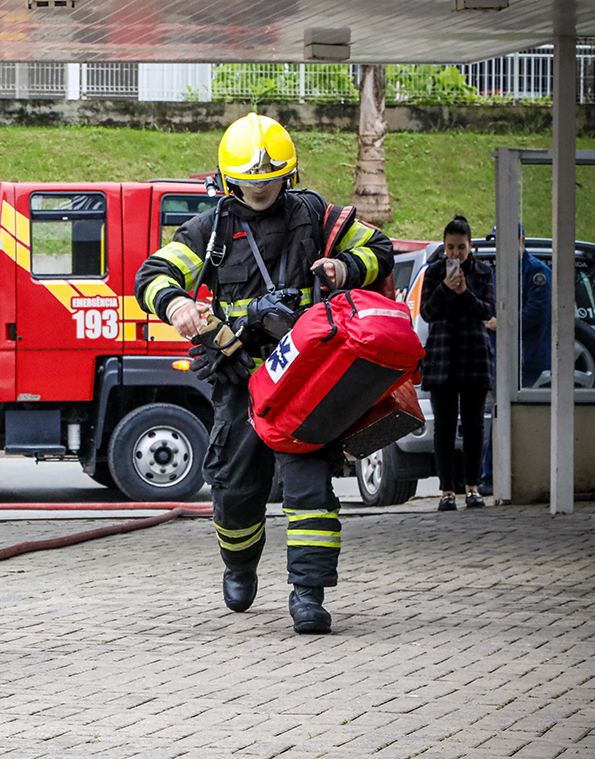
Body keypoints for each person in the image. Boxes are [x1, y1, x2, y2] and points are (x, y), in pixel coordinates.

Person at [134, 113, 393, 634]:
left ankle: (309, 593)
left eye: (270, 179)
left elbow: (379, 249)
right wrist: (177, 304)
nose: (260, 189)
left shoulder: (316, 217)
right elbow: (152, 275)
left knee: (309, 486)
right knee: (234, 486)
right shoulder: (210, 231)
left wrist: (344, 268)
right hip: (241, 377)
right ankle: (240, 563)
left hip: (304, 378)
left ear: (287, 175)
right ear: (231, 181)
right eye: (250, 182)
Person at [419, 215, 495, 511]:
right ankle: (446, 490)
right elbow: (427, 312)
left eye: (461, 248)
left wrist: (464, 292)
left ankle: (473, 488)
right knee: (445, 427)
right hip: (441, 357)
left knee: (474, 424)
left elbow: (486, 310)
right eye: (450, 248)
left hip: (473, 355)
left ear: (470, 246)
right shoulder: (435, 271)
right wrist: (445, 289)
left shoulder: (482, 272)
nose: (455, 255)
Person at [481, 223, 549, 493]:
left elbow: (537, 313)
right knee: (498, 417)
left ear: (521, 239)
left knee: (507, 417)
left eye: (507, 240)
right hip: (502, 358)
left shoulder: (537, 274)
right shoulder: (501, 274)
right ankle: (490, 478)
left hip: (527, 360)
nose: (501, 247)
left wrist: (503, 322)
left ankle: (492, 478)